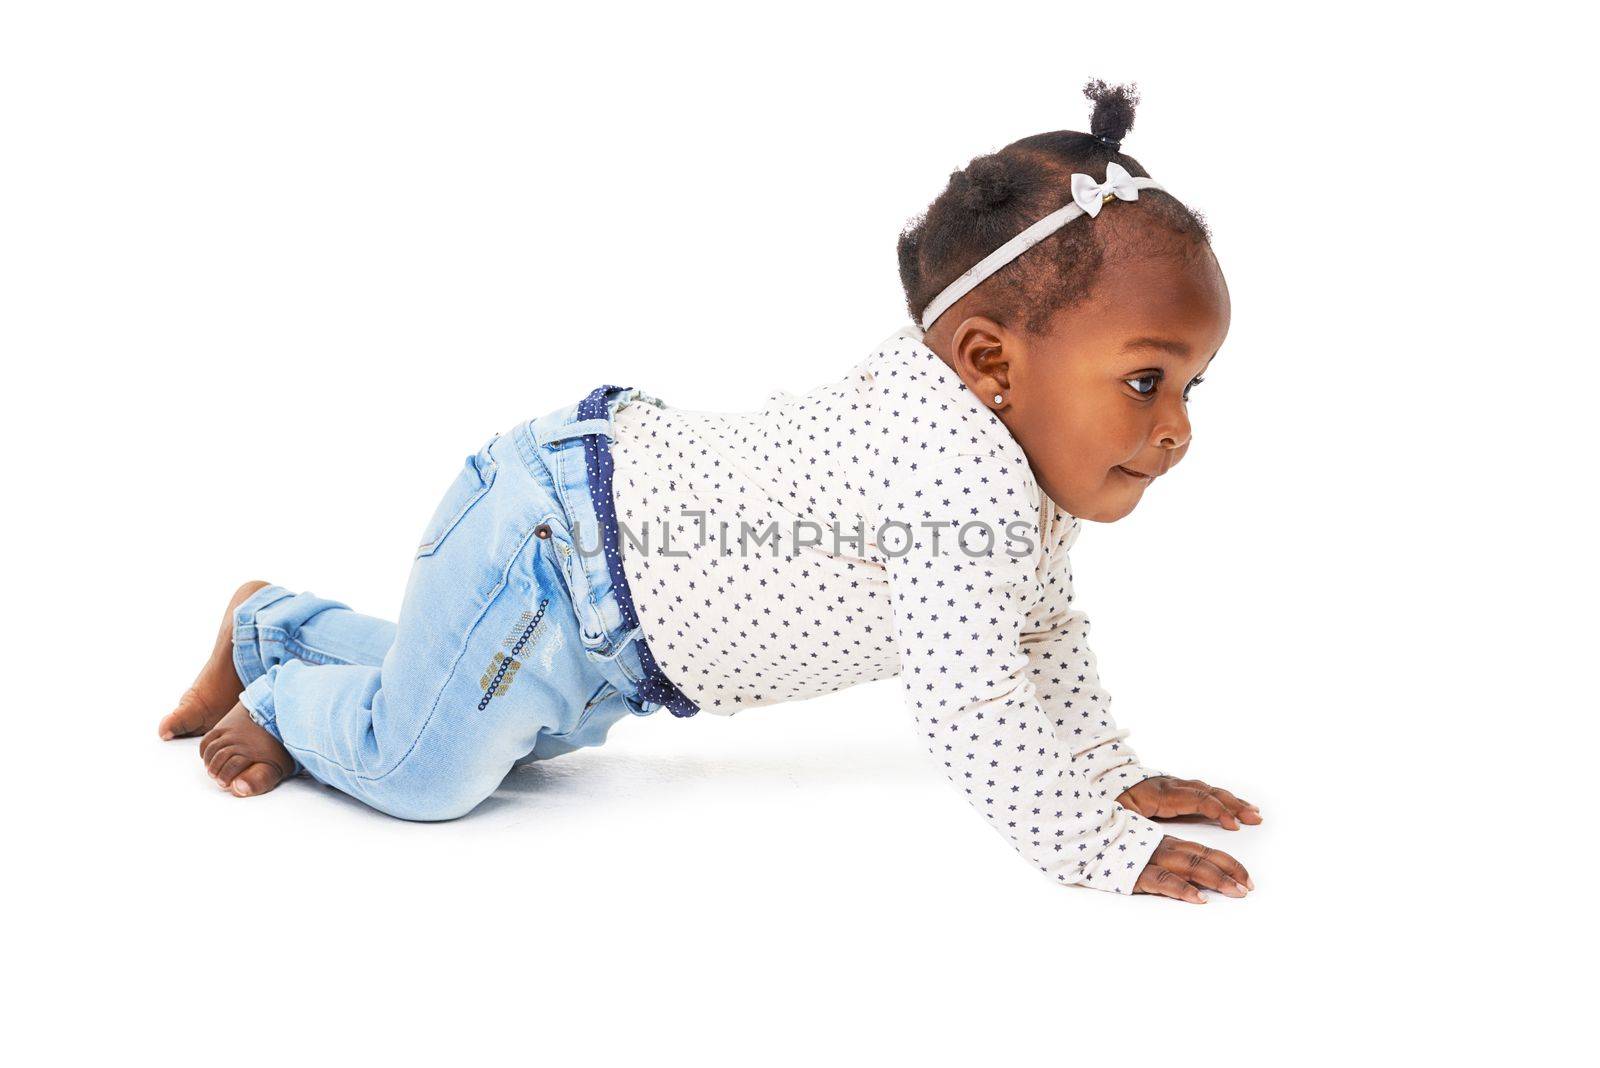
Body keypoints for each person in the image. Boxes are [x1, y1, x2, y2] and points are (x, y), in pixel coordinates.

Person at [160, 79, 1261, 903]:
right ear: (988, 361)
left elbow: (1036, 633)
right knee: (425, 772)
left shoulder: (996, 454)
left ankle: (271, 627)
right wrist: (1096, 844)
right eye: (1142, 379)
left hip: (601, 620)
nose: (1174, 429)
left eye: (1191, 386)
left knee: (474, 718)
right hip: (552, 557)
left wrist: (1110, 774)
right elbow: (969, 696)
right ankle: (284, 704)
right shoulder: (955, 472)